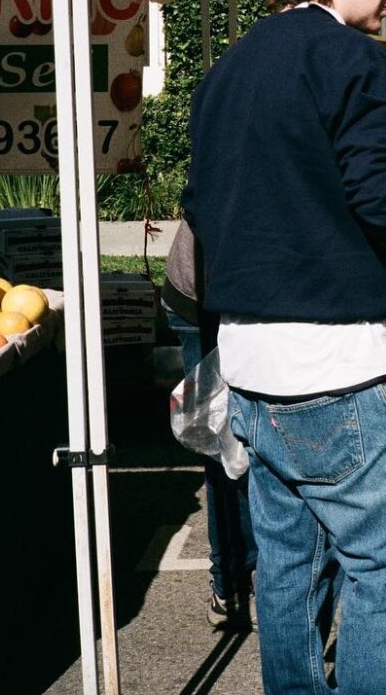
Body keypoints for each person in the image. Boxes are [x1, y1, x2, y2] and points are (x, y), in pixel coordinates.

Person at [183, 0, 386, 695]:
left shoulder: (228, 68)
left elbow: (206, 203)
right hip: (339, 365)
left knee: (288, 566)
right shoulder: (357, 61)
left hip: (250, 364)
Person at [161, 219, 258, 628]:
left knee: (248, 447)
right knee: (222, 445)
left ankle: (250, 578)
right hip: (203, 296)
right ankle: (232, 582)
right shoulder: (237, 160)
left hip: (254, 296)